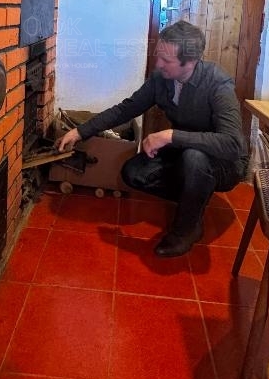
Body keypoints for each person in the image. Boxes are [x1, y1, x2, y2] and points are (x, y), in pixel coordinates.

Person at [56, 20, 248, 257]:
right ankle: (194, 196)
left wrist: (170, 135)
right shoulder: (161, 79)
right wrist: (80, 132)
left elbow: (232, 144)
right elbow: (125, 109)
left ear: (190, 62)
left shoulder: (218, 84)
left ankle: (187, 230)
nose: (158, 64)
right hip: (183, 150)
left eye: (166, 60)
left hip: (224, 162)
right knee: (133, 173)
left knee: (194, 158)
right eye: (159, 56)